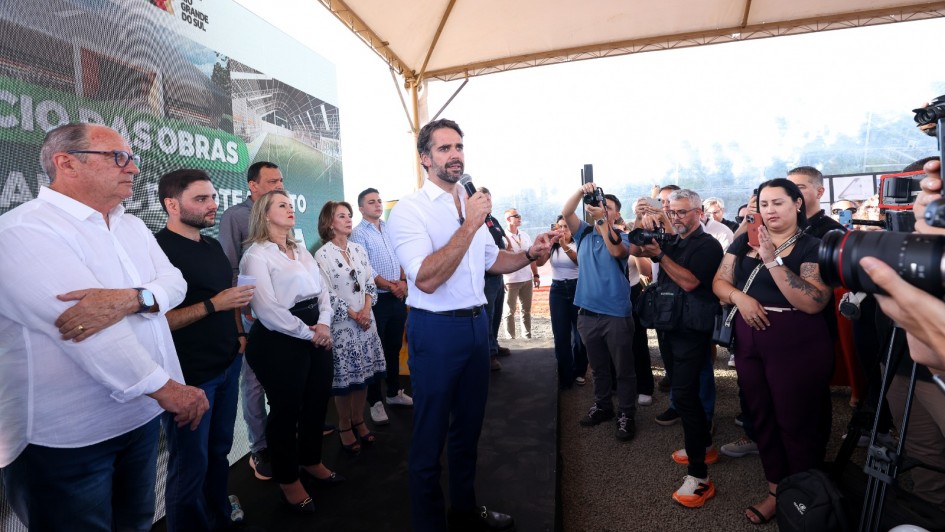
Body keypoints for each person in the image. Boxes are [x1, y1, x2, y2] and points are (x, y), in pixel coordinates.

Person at [0, 123, 208, 531]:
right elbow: (85, 331)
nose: (132, 168)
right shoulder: (22, 231)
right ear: (66, 163)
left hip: (140, 417)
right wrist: (167, 388)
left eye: (132, 157)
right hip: (66, 439)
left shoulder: (129, 225)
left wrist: (131, 298)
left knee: (137, 523)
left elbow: (175, 284)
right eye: (117, 157)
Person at [387, 118, 554, 532]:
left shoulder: (469, 202)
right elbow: (425, 276)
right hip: (436, 331)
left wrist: (531, 254)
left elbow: (491, 261)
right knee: (429, 438)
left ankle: (464, 510)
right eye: (443, 149)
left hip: (477, 329)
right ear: (425, 159)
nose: (455, 154)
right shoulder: (410, 210)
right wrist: (470, 224)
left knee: (468, 431)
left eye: (458, 146)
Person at [712, 178, 834, 525]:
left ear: (797, 204)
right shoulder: (742, 242)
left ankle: (806, 495)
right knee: (761, 416)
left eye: (778, 203)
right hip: (749, 339)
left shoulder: (812, 245)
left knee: (797, 420)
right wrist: (740, 297)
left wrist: (772, 261)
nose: (769, 210)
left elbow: (814, 301)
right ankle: (776, 491)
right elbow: (719, 282)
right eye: (764, 204)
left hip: (797, 340)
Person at [155, 169, 255, 531]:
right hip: (189, 378)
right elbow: (157, 321)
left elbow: (228, 300)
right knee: (188, 466)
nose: (213, 205)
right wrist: (215, 304)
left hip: (227, 365)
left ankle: (219, 514)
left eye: (213, 197)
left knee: (218, 452)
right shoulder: (158, 250)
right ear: (171, 204)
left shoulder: (211, 244)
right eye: (201, 199)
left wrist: (238, 335)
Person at [239, 190, 339, 513]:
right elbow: (266, 310)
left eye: (290, 203)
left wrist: (323, 325)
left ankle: (310, 460)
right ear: (265, 215)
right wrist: (307, 333)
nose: (290, 208)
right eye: (281, 204)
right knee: (285, 410)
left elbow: (323, 291)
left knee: (316, 401)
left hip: (315, 332)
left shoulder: (298, 249)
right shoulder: (256, 255)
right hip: (279, 339)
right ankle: (288, 480)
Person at [634, 189, 723, 507]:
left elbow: (688, 282)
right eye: (672, 212)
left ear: (700, 213)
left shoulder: (708, 245)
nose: (675, 217)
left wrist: (660, 256)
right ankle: (705, 445)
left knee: (685, 395)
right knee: (682, 392)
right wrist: (606, 221)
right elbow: (627, 248)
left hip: (692, 330)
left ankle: (700, 478)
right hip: (670, 325)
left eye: (682, 212)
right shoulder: (674, 241)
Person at [218, 160, 285, 480]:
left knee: (284, 380)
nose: (278, 185)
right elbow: (232, 271)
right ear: (253, 186)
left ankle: (284, 437)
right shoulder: (235, 216)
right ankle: (259, 448)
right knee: (255, 386)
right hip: (252, 318)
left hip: (285, 317)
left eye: (281, 180)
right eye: (271, 181)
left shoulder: (282, 214)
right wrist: (240, 323)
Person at [562, 186, 637, 442]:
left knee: (624, 369)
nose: (601, 209)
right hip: (587, 314)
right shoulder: (583, 234)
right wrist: (580, 191)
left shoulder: (623, 237)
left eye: (608, 208)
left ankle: (627, 414)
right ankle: (603, 406)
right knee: (599, 368)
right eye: (599, 206)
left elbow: (617, 251)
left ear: (615, 215)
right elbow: (566, 211)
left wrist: (603, 221)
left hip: (615, 314)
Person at [314, 201, 387, 454]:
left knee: (365, 374)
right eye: (342, 216)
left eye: (349, 215)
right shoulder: (322, 255)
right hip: (343, 326)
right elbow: (326, 294)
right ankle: (344, 424)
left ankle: (359, 419)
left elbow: (368, 280)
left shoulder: (358, 249)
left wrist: (366, 310)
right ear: (329, 223)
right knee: (346, 380)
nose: (348, 220)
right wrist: (354, 314)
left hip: (367, 323)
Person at [351, 188, 412, 425]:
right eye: (371, 202)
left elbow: (401, 257)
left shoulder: (389, 229)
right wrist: (390, 285)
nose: (377, 205)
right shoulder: (358, 234)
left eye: (378, 201)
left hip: (397, 296)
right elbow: (367, 269)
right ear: (361, 208)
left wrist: (403, 282)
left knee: (394, 347)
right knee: (375, 353)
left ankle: (394, 393)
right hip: (375, 300)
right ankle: (375, 402)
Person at [549, 215, 588, 389]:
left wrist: (564, 245)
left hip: (577, 288)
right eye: (560, 227)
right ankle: (565, 374)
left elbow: (580, 261)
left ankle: (579, 371)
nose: (563, 230)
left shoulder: (579, 242)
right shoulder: (553, 246)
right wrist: (547, 245)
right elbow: (540, 260)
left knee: (579, 333)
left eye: (566, 226)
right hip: (557, 290)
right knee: (560, 334)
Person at [479, 187, 513, 371]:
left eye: (489, 199)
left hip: (497, 276)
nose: (488, 202)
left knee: (497, 313)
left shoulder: (493, 220)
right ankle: (489, 354)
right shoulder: (475, 222)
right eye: (483, 199)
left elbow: (502, 241)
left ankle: (494, 345)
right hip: (485, 277)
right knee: (488, 315)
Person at [503, 207, 539, 339]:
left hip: (526, 279)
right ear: (508, 219)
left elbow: (532, 257)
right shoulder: (503, 236)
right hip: (510, 280)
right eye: (516, 216)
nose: (519, 218)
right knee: (509, 312)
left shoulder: (525, 235)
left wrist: (535, 275)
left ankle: (527, 336)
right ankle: (510, 339)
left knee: (526, 311)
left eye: (519, 215)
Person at [786, 166, 845, 238]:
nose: (790, 193)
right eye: (787, 189)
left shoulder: (836, 232)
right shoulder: (782, 228)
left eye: (800, 187)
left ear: (819, 192)